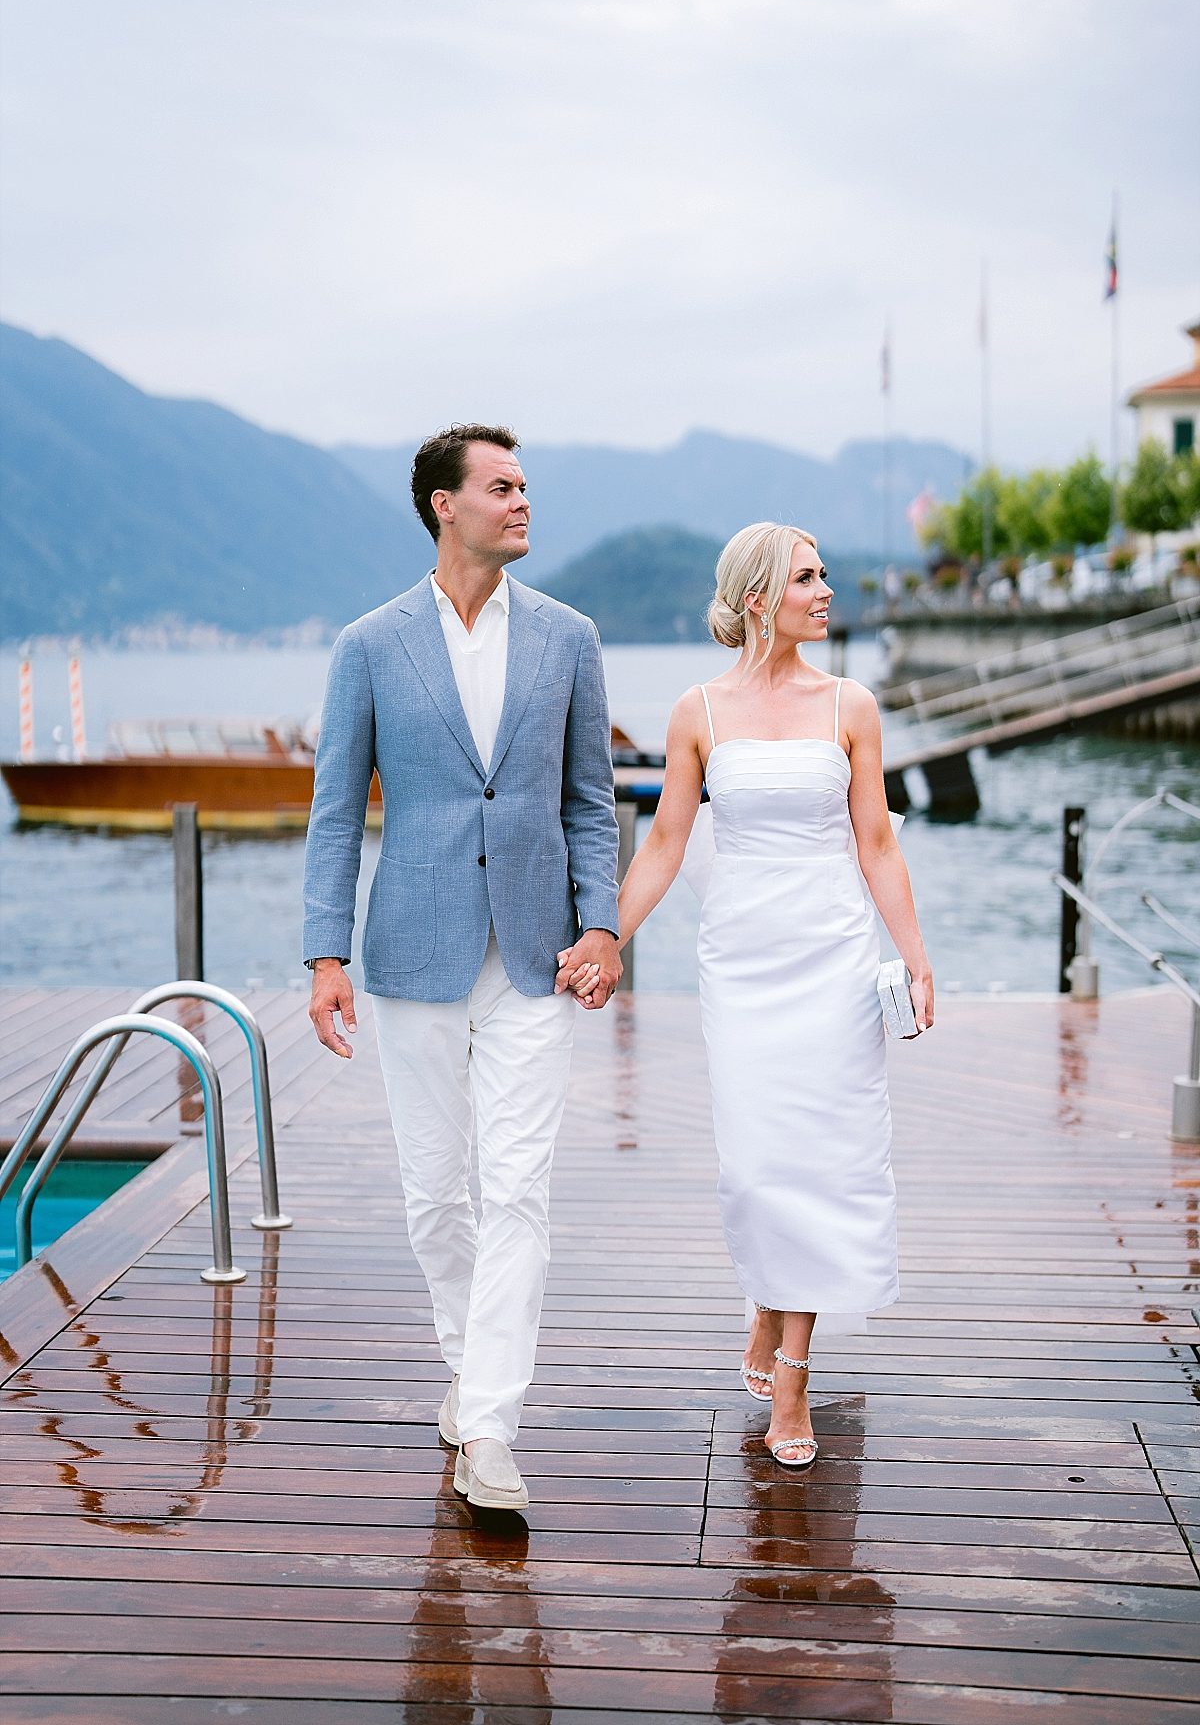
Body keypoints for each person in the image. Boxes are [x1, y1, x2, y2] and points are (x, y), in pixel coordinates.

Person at [558, 521, 932, 1468]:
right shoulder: (699, 713)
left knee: (817, 1157)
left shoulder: (852, 705)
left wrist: (917, 958)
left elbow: (877, 843)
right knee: (759, 1164)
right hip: (743, 963)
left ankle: (795, 1378)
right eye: (808, 577)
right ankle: (767, 1301)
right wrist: (606, 939)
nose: (827, 590)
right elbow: (666, 845)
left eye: (824, 573)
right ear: (762, 596)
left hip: (834, 959)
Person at [303, 423, 621, 1512]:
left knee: (518, 1190)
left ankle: (490, 1426)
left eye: (527, 484)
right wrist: (325, 955)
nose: (523, 500)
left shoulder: (570, 638)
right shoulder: (371, 645)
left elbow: (590, 801)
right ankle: (466, 1365)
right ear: (445, 505)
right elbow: (335, 811)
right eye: (501, 486)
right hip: (413, 952)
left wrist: (605, 928)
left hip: (538, 956)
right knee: (437, 1194)